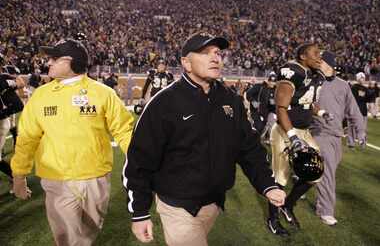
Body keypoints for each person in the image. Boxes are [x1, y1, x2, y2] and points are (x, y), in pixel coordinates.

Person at [123, 33, 286, 245]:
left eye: (218, 53)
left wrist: (267, 185)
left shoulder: (231, 100)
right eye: (205, 53)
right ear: (186, 63)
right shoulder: (163, 103)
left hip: (214, 202)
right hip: (178, 206)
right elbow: (139, 160)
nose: (215, 58)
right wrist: (140, 212)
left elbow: (248, 148)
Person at [10, 39, 135, 246]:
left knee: (88, 235)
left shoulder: (104, 94)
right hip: (57, 180)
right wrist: (19, 176)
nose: (47, 62)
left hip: (95, 178)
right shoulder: (41, 96)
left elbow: (124, 132)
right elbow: (26, 139)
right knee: (66, 239)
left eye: (53, 58)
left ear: (69, 61)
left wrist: (144, 163)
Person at [268, 43, 328, 236]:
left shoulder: (314, 75)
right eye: (316, 54)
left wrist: (321, 112)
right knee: (280, 178)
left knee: (315, 173)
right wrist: (293, 137)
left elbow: (306, 101)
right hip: (286, 131)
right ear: (303, 56)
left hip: (304, 131)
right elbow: (281, 108)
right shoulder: (292, 72)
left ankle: (288, 205)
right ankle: (273, 219)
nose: (320, 57)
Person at [310, 51, 365, 226]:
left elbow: (353, 110)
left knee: (322, 170)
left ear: (329, 64)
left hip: (336, 135)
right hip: (318, 132)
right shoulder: (313, 81)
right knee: (327, 172)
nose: (318, 63)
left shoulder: (343, 85)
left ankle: (302, 182)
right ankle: (326, 211)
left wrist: (361, 131)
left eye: (321, 61)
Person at [0, 61, 25, 186]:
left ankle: (16, 177)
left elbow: (20, 82)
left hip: (4, 118)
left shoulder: (3, 78)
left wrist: (7, 87)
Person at [347, 72, 369, 148]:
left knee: (363, 128)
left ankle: (362, 143)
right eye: (361, 77)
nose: (363, 79)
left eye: (363, 77)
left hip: (363, 111)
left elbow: (368, 100)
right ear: (358, 78)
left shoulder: (366, 89)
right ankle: (351, 143)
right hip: (354, 111)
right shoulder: (354, 87)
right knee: (351, 127)